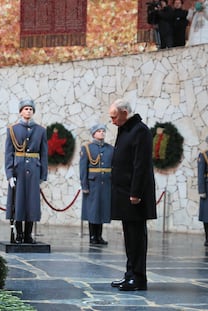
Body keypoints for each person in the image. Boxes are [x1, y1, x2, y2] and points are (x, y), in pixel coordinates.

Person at [108, 99, 157, 291]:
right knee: (129, 236)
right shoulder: (126, 130)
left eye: (114, 116)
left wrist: (135, 192)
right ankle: (130, 274)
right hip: (124, 193)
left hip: (134, 195)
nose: (112, 121)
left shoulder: (140, 131)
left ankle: (138, 278)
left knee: (137, 237)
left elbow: (141, 164)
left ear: (124, 113)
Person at [5, 99, 48, 244]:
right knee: (18, 202)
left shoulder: (41, 130)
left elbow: (44, 153)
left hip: (34, 169)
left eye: (31, 109)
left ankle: (28, 234)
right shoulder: (12, 130)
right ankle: (19, 234)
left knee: (32, 203)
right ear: (20, 111)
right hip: (19, 170)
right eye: (26, 109)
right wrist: (10, 174)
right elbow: (9, 154)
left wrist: (43, 174)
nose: (28, 111)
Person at [79, 124, 113, 245]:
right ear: (93, 134)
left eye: (103, 131)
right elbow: (83, 168)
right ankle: (93, 236)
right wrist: (84, 185)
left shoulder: (110, 149)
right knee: (93, 211)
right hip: (93, 184)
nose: (102, 133)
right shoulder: (87, 148)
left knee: (102, 210)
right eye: (99, 131)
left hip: (106, 184)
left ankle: (99, 236)